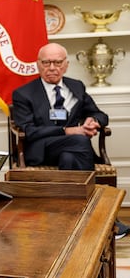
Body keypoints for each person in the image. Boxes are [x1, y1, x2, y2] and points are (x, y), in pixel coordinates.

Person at [12, 43, 128, 239]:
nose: (52, 67)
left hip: (72, 151)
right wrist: (68, 131)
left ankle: (71, 220)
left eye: (57, 62)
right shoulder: (23, 93)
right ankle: (104, 219)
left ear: (65, 65)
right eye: (46, 62)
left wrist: (93, 122)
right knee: (79, 141)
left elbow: (100, 114)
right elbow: (29, 131)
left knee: (69, 158)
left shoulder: (76, 86)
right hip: (42, 149)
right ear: (38, 64)